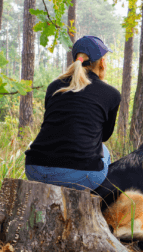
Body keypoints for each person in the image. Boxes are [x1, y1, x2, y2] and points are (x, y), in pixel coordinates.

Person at [24, 36, 121, 191]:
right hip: (79, 176)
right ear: (102, 62)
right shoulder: (111, 94)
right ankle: (94, 206)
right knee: (105, 151)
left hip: (35, 168)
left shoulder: (54, 86)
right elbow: (104, 137)